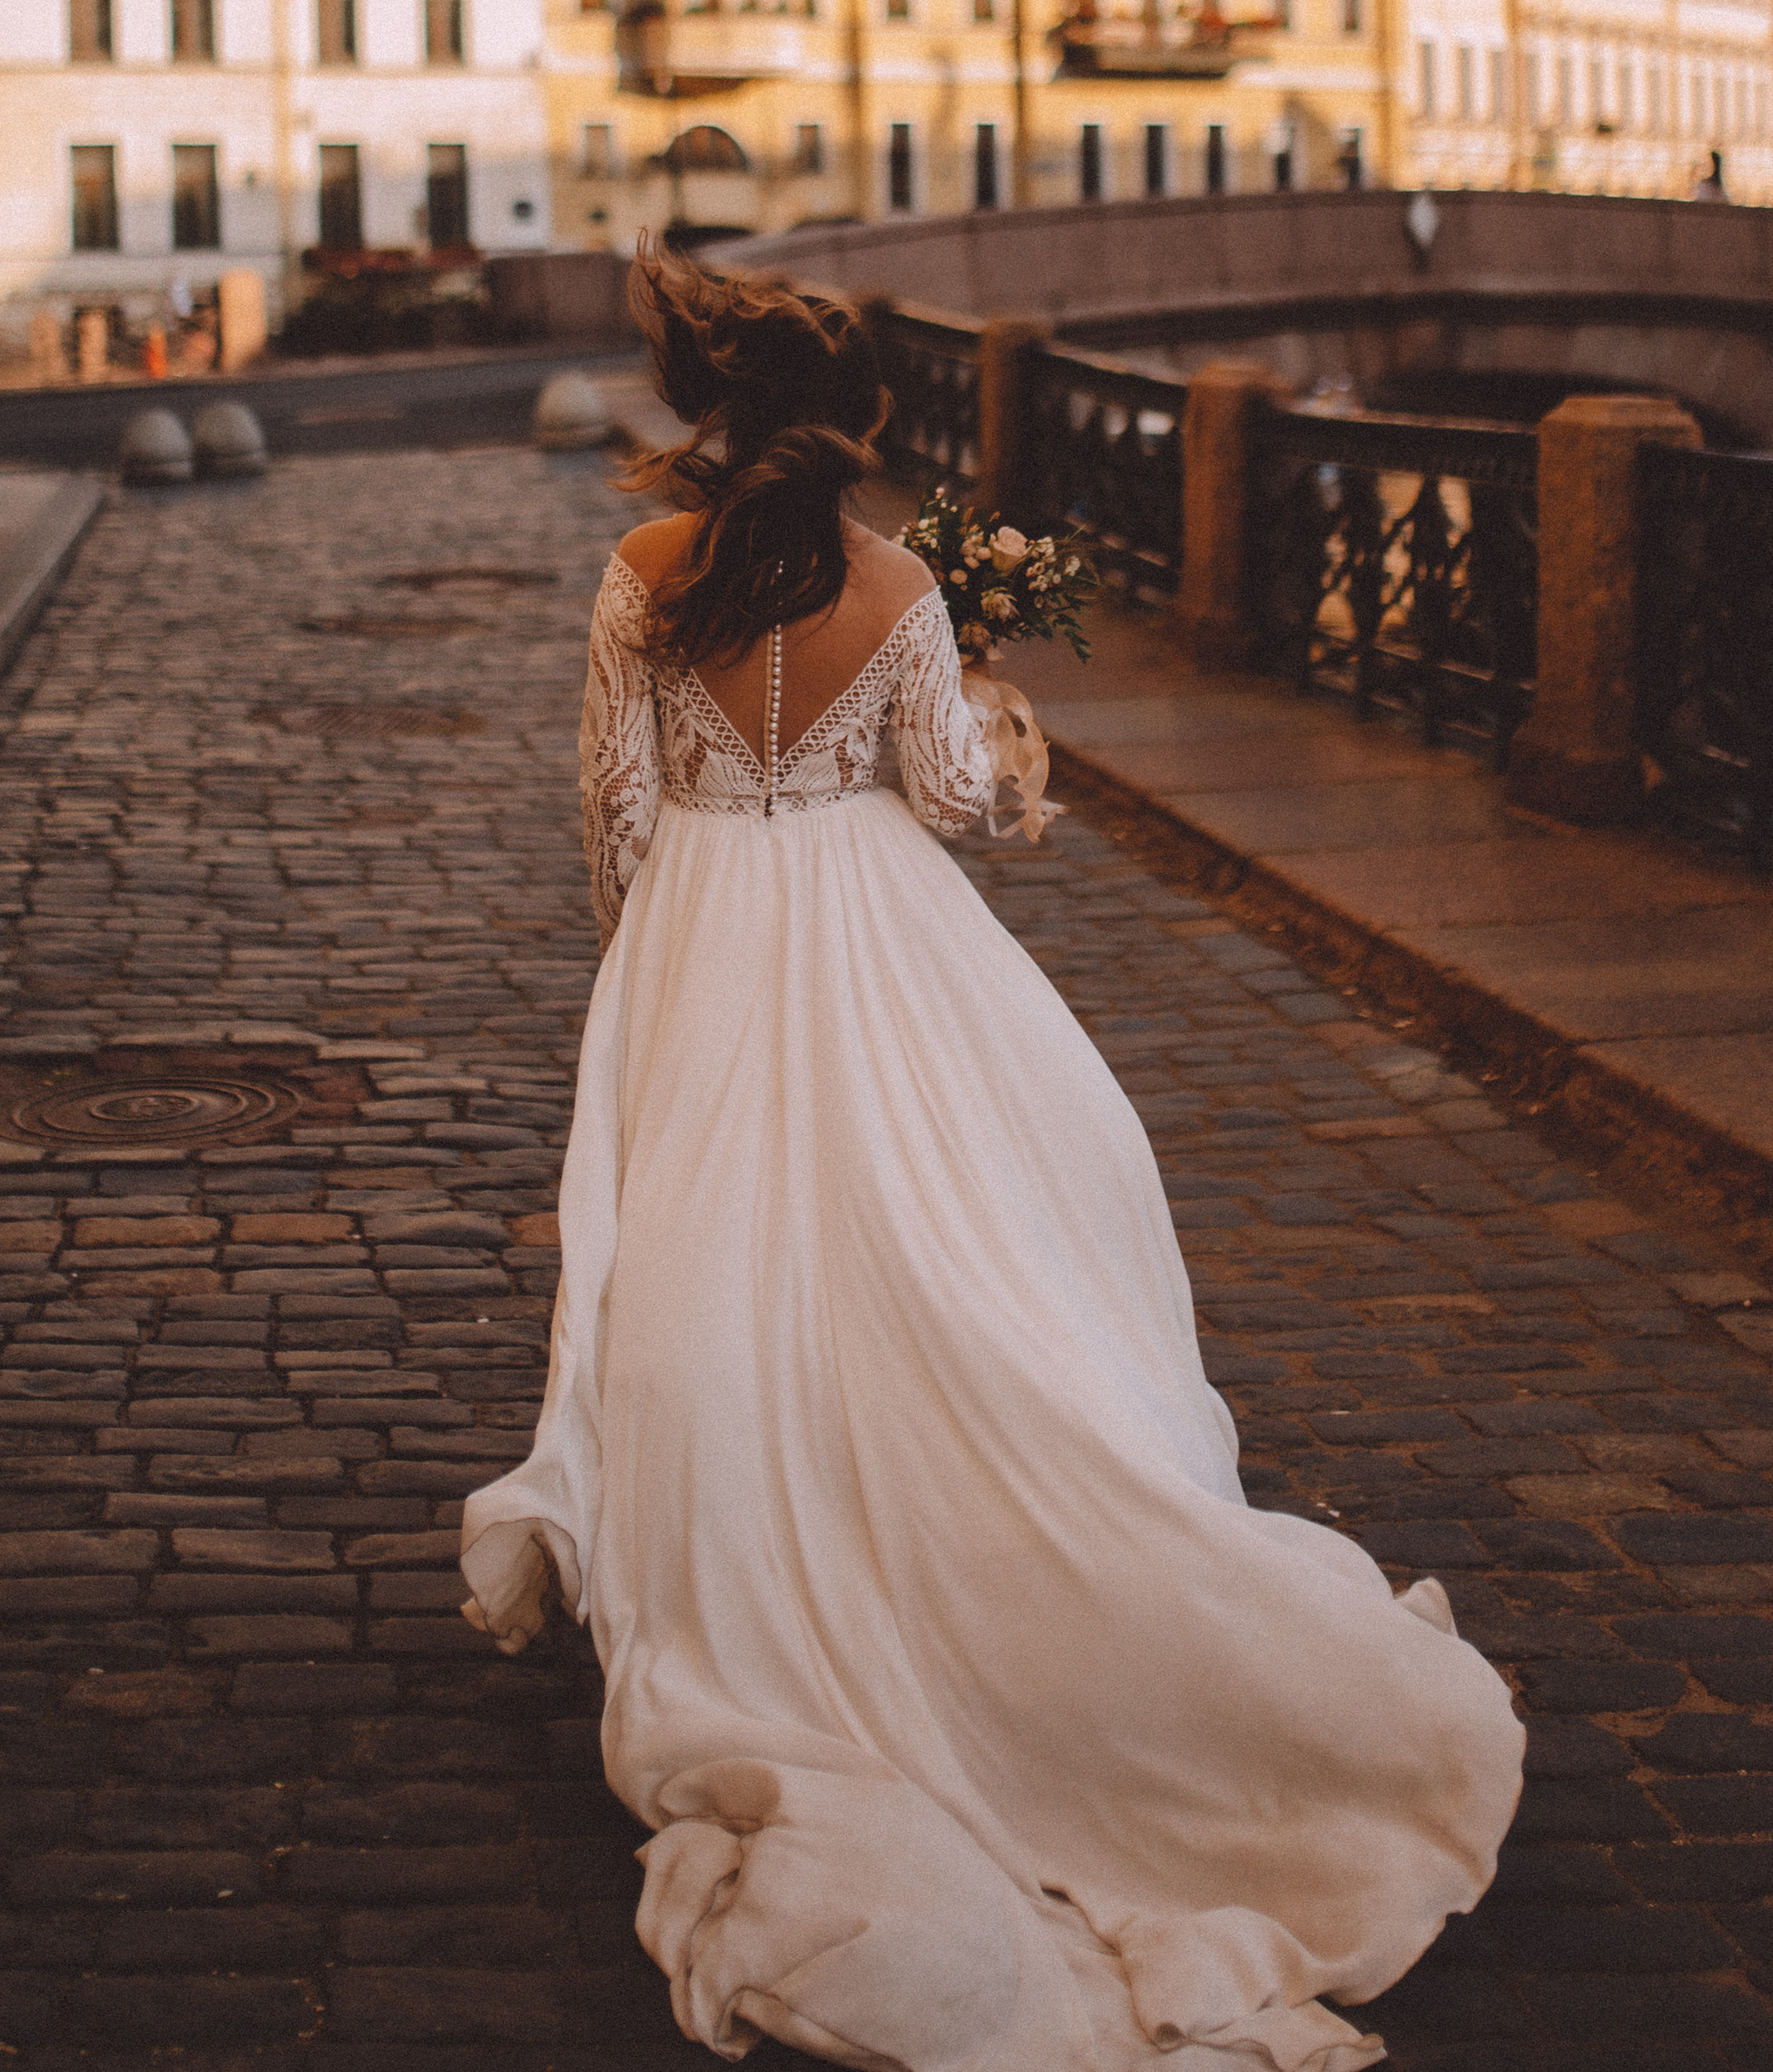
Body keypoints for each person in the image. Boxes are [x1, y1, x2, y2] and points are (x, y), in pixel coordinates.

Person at [462, 253, 1522, 2072]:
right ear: (860, 416)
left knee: (712, 1258)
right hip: (877, 931)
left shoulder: (641, 577)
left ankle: (736, 1514)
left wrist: (645, 969)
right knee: (953, 1232)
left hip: (705, 924)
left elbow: (614, 813)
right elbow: (957, 801)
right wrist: (1008, 731)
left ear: (699, 408)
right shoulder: (901, 583)